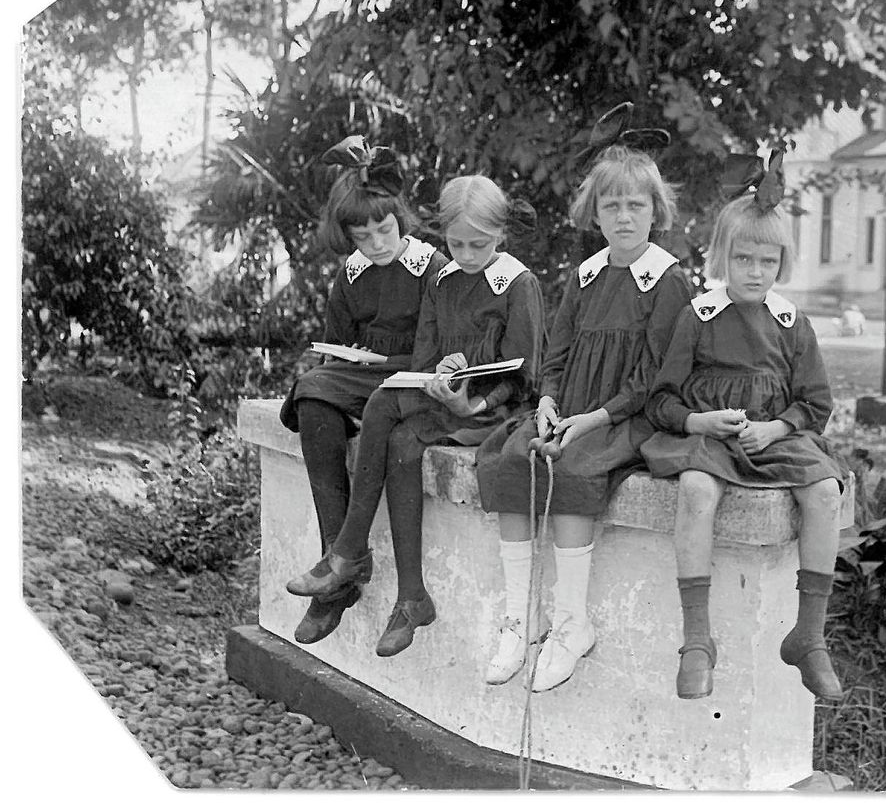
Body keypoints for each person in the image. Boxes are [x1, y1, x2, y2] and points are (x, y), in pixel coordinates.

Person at [476, 108, 691, 693]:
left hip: (626, 415)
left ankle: (572, 624)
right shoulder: (586, 275)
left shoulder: (668, 280)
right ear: (594, 213)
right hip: (568, 407)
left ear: (656, 211)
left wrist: (593, 418)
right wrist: (547, 401)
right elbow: (558, 352)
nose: (624, 217)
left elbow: (654, 377)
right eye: (611, 206)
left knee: (572, 465)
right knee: (509, 457)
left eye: (636, 205)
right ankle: (518, 619)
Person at [285, 174, 544, 657]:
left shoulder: (517, 283)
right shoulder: (443, 282)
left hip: (491, 408)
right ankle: (407, 593)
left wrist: (474, 401)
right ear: (442, 231)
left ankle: (352, 555)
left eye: (479, 244)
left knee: (393, 421)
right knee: (391, 419)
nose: (466, 254)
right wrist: (436, 377)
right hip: (444, 397)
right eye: (457, 242)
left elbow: (526, 373)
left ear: (501, 235)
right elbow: (425, 355)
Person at [641, 181, 847, 702]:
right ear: (722, 258)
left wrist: (776, 428)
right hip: (712, 436)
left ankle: (809, 635)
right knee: (695, 489)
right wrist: (700, 422)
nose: (755, 272)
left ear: (782, 264)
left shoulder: (791, 323)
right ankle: (696, 639)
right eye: (743, 259)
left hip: (773, 436)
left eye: (768, 261)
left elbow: (815, 403)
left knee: (824, 490)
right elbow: (661, 400)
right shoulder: (699, 317)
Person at [278, 136, 447, 647]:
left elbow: (435, 348)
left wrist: (380, 364)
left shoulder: (429, 267)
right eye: (363, 235)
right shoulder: (350, 275)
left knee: (328, 389)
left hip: (412, 375)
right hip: (365, 375)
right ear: (347, 235)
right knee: (312, 393)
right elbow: (338, 344)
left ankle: (338, 572)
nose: (376, 243)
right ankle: (340, 560)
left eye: (384, 229)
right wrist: (345, 359)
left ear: (400, 219)